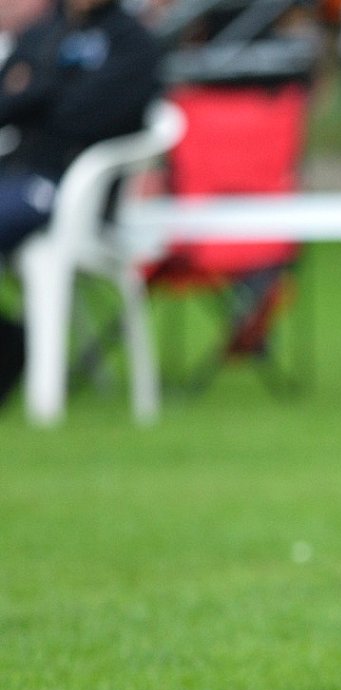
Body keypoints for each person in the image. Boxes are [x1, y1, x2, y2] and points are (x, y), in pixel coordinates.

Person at [0, 0, 162, 409]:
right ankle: (10, 343)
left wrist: (35, 88)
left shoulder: (132, 42)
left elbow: (85, 116)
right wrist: (55, 87)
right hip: (17, 172)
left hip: (74, 190)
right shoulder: (44, 31)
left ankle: (11, 347)